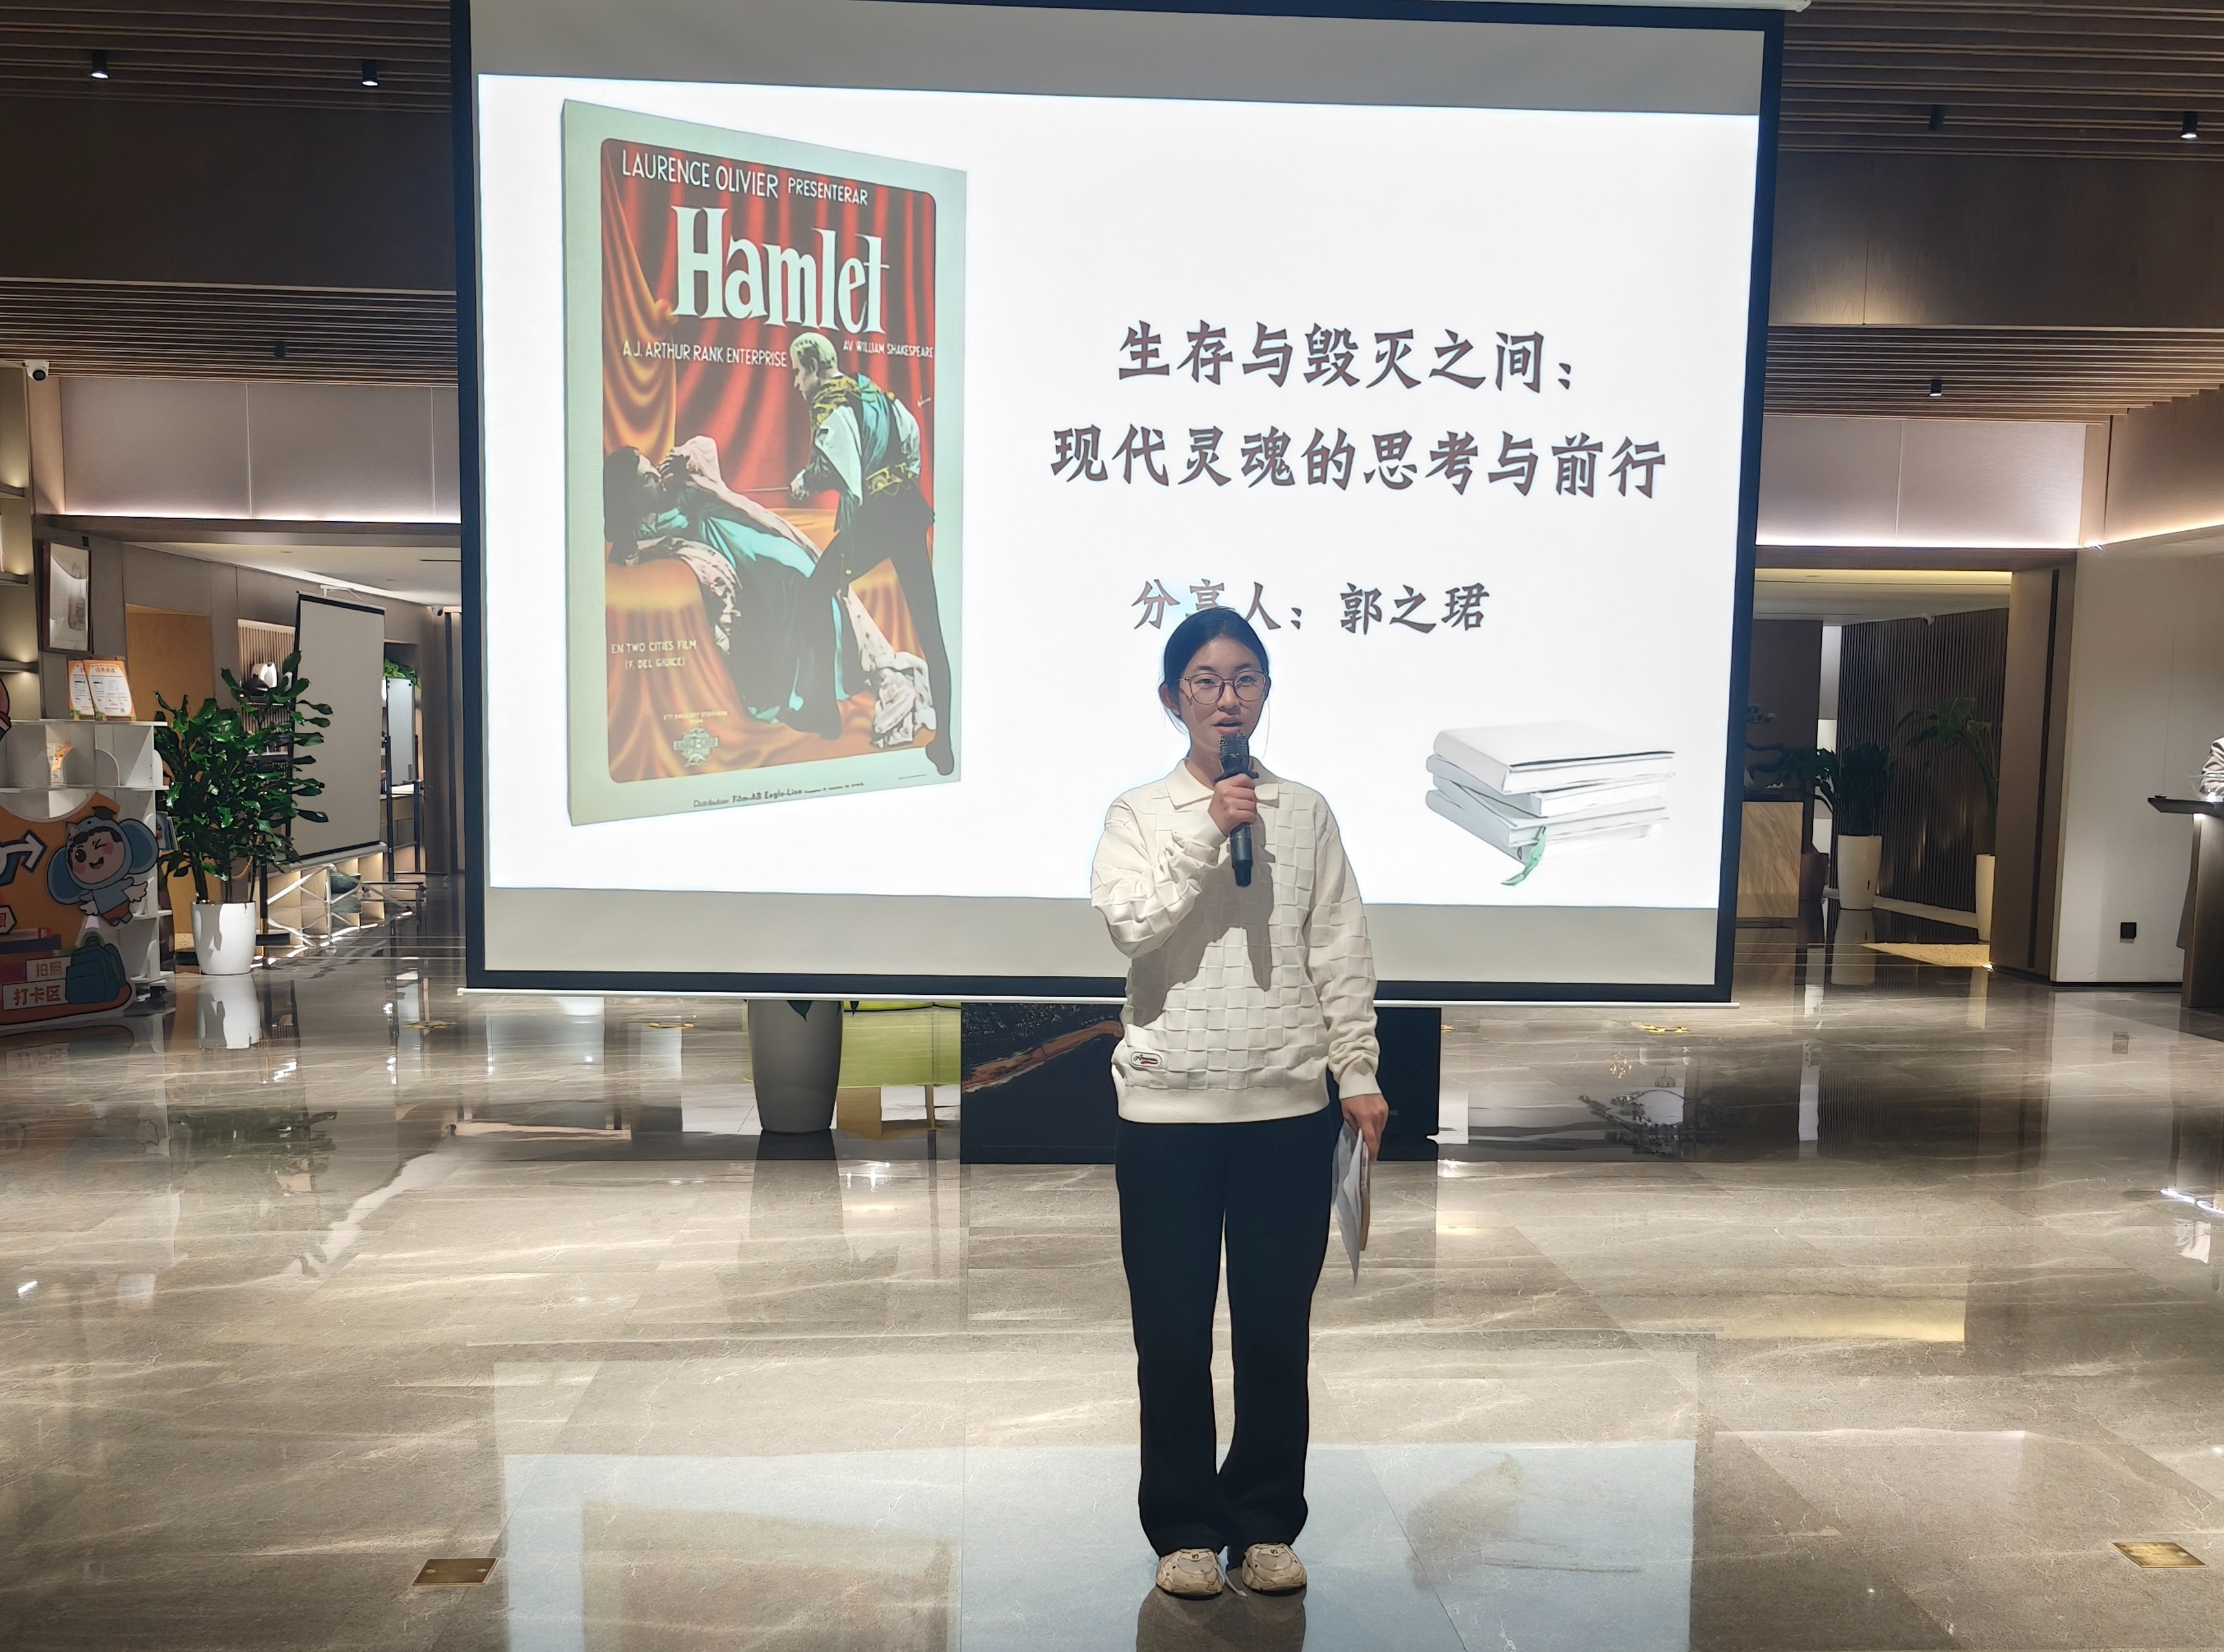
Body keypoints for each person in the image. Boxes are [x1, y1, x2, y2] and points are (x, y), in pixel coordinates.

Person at [1090, 607, 1389, 1602]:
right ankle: (1181, 1526)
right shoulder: (1140, 815)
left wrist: (1356, 1072)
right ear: (1172, 698)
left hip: (1283, 1109)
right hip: (1166, 1113)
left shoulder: (1303, 812)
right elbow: (1130, 925)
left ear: (1264, 692)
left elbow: (1337, 947)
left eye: (1245, 678)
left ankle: (1262, 1521)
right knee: (1171, 1334)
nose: (1227, 698)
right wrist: (1205, 834)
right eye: (1206, 682)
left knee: (1272, 1332)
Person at [603, 437, 854, 737]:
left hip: (748, 543)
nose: (657, 476)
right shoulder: (639, 532)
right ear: (630, 497)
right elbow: (630, 554)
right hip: (738, 559)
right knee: (790, 587)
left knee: (801, 574)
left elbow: (706, 447)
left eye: (653, 469)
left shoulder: (676, 491)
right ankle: (808, 696)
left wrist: (687, 460)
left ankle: (821, 694)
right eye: (647, 478)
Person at [787, 331, 954, 774]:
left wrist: (805, 480)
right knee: (930, 628)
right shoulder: (874, 392)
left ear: (814, 368)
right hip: (907, 510)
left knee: (814, 592)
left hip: (876, 521)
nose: (797, 383)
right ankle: (945, 743)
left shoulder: (828, 402)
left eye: (798, 372)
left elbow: (837, 467)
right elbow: (911, 437)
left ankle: (823, 711)